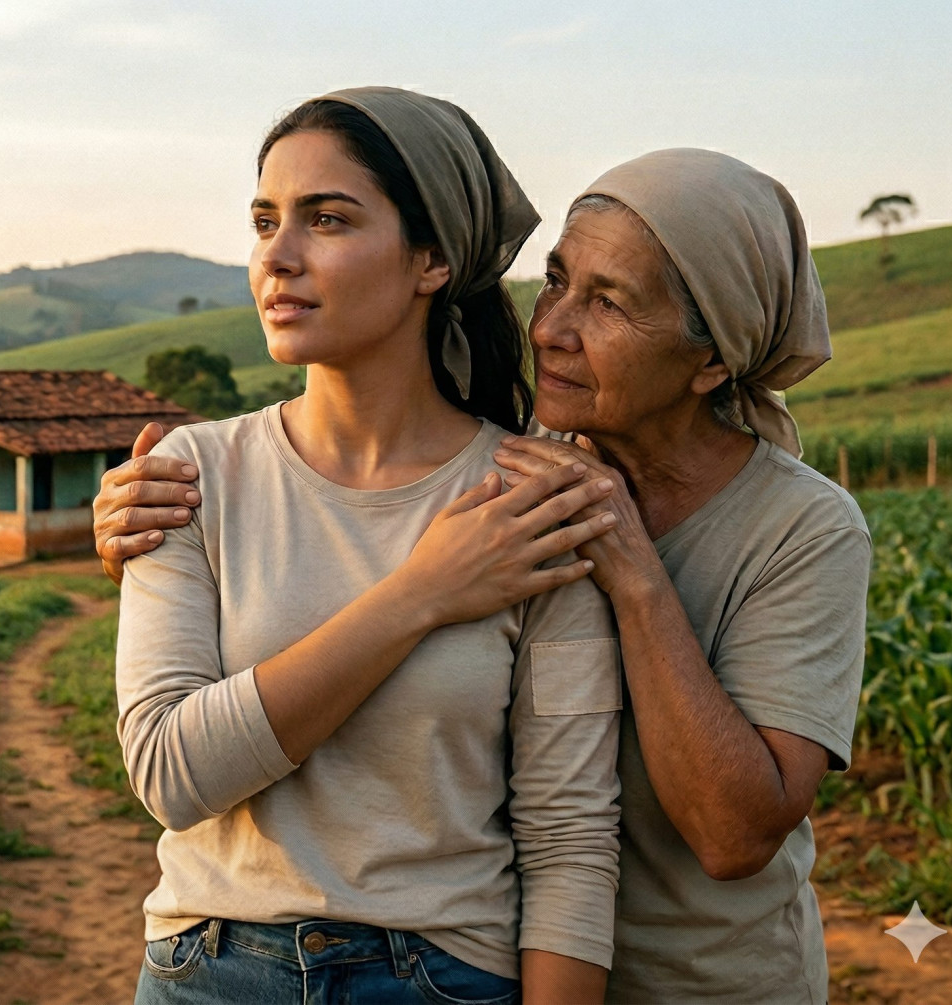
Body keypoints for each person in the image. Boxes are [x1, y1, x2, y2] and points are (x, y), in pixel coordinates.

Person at [96, 147, 871, 1003]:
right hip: (508, 966)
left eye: (608, 303)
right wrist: (162, 537)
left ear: (712, 361)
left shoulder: (802, 528)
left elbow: (734, 834)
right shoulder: (526, 483)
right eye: (558, 282)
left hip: (699, 982)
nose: (550, 329)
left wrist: (636, 576)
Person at [114, 89, 623, 1004]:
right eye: (265, 220)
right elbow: (170, 770)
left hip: (443, 977)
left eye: (328, 219)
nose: (279, 255)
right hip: (210, 971)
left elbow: (570, 836)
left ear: (431, 258)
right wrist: (420, 593)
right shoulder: (191, 473)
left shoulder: (536, 498)